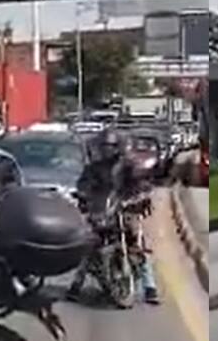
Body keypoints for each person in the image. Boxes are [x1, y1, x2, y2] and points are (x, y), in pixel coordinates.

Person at [68, 128, 160, 305]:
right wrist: (83, 196)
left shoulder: (127, 167)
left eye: (110, 146)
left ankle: (150, 287)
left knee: (137, 242)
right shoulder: (93, 169)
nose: (106, 150)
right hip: (102, 211)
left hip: (125, 209)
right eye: (103, 146)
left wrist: (140, 196)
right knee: (90, 245)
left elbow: (140, 183)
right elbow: (83, 185)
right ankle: (76, 285)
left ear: (118, 147)